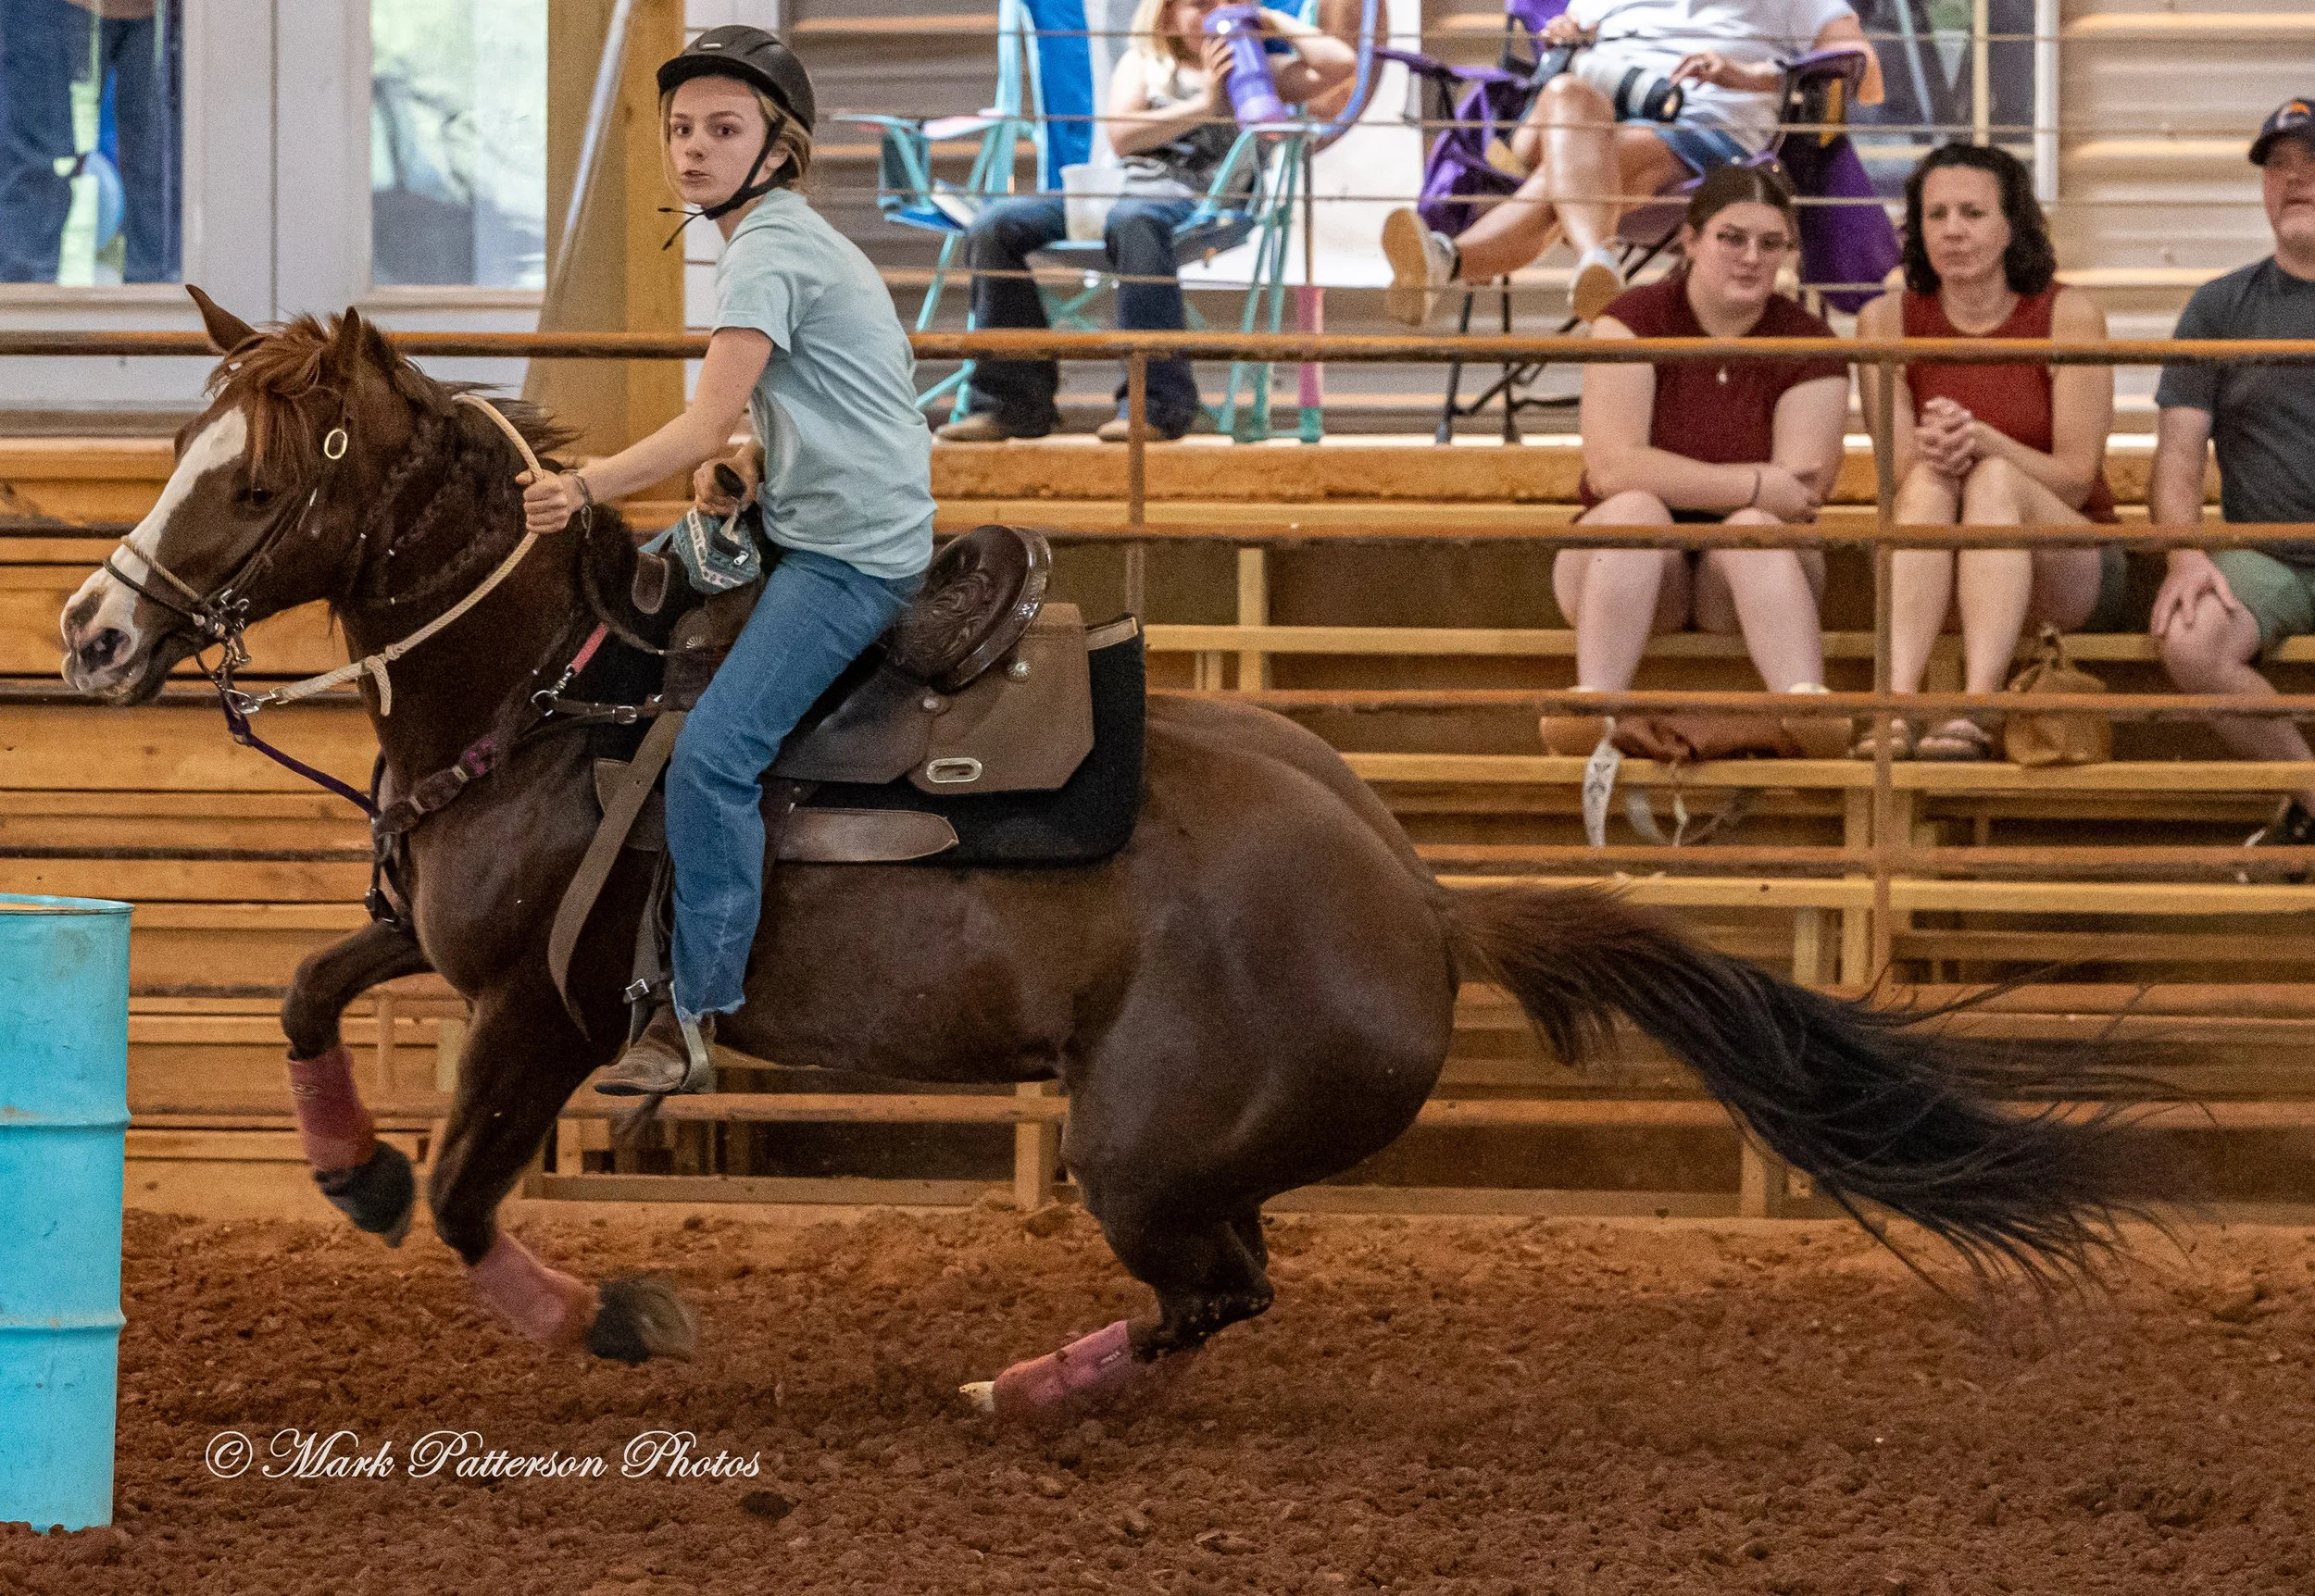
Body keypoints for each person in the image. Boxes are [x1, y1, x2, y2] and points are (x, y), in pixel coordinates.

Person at [519, 27, 935, 1094]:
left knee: (713, 758)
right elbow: (810, 410)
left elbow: (704, 422)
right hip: (809, 514)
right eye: (680, 130)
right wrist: (755, 461)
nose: (693, 150)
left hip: (848, 556)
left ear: (778, 149)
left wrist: (583, 486)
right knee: (623, 604)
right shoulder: (790, 237)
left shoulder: (769, 248)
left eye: (723, 129)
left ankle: (693, 1010)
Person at [934, 0, 1355, 443]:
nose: (1216, 12)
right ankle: (1010, 403)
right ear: (1168, 15)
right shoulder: (1145, 64)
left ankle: (1154, 405)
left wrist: (1269, 20)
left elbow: (1341, 65)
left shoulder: (1255, 70)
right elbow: (1123, 137)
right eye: (1201, 5)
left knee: (1133, 221)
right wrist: (1205, 103)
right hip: (1118, 192)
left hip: (1201, 204)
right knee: (993, 224)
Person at [1538, 164, 1852, 756]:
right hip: (1624, 570)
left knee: (1754, 530)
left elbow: (1801, 493)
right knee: (1635, 509)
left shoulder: (1810, 344)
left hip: (1735, 584)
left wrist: (1746, 496)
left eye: (1770, 243)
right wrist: (1755, 482)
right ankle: (1592, 708)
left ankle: (1807, 707)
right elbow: (1612, 471)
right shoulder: (1631, 321)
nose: (1751, 257)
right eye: (1731, 238)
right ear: (1691, 241)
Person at [1379, 0, 1882, 329]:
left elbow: (1864, 75)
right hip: (1576, 124)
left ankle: (1447, 259)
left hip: (1703, 142)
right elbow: (1568, 53)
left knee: (1603, 152)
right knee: (1565, 90)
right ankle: (1597, 255)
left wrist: (1747, 76)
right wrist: (1567, 36)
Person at [1855, 143, 2121, 761]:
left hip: (2070, 555)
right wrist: (1938, 451)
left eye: (1972, 214)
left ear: (2011, 226)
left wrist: (1982, 441)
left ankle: (1975, 710)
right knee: (1928, 485)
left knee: (1994, 478)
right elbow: (1899, 479)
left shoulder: (2069, 314)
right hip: (1938, 556)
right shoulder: (1884, 321)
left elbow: (2078, 480)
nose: (1953, 231)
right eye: (1936, 214)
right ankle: (1895, 705)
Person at [2148, 95, 2315, 854]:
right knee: (2189, 638)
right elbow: (2179, 455)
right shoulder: (2219, 306)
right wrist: (2185, 553)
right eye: (2279, 165)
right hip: (2271, 557)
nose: (2295, 179)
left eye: (2312, 161)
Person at [0, 0, 181, 283]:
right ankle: (24, 317)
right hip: (49, 9)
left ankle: (164, 322)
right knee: (36, 173)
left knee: (161, 181)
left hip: (159, 12)